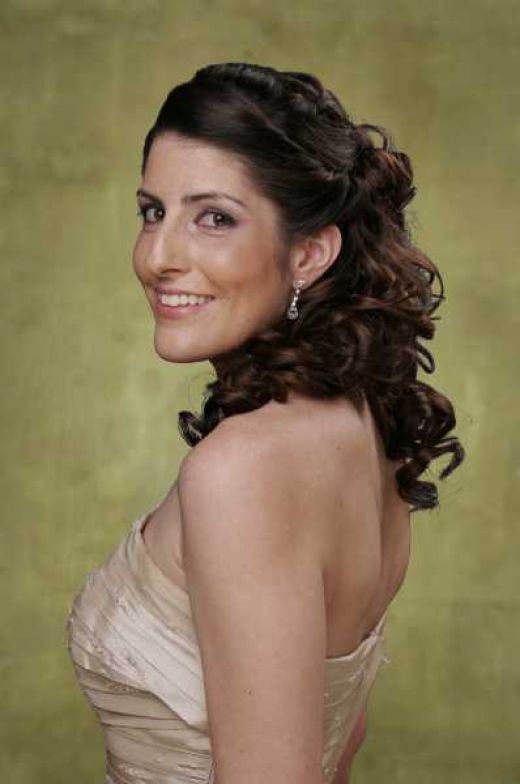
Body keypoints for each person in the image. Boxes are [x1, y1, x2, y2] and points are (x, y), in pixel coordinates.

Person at [66, 62, 465, 784]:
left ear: (308, 253)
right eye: (153, 211)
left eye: (214, 217)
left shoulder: (242, 469)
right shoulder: (365, 430)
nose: (158, 257)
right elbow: (333, 748)